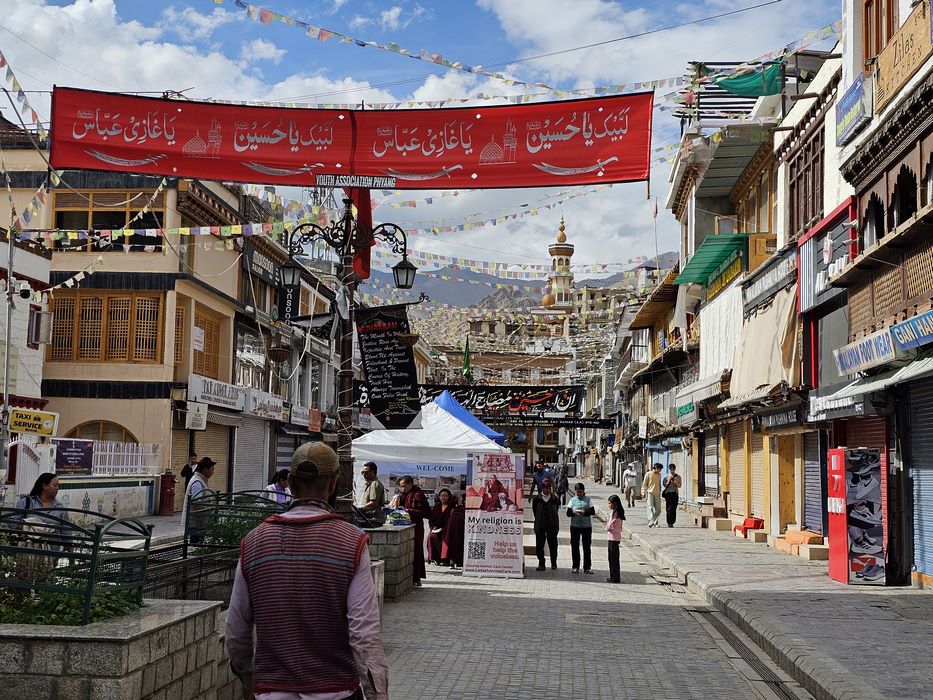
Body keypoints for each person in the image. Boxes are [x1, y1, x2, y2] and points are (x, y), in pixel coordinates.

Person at [225, 442, 389, 700]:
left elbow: (236, 628)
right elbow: (364, 632)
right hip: (336, 691)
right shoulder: (352, 542)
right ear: (334, 484)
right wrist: (377, 693)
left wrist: (248, 678)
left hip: (270, 691)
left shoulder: (254, 541)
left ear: (289, 481)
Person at [15, 473, 72, 547]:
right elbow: (12, 522)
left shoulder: (60, 509)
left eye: (58, 486)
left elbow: (66, 532)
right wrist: (28, 527)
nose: (57, 488)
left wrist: (70, 551)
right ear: (44, 486)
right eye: (55, 485)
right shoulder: (26, 503)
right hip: (27, 553)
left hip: (53, 554)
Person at [396, 475, 431, 587]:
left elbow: (427, 513)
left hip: (417, 527)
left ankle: (416, 578)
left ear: (410, 484)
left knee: (416, 552)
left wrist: (409, 510)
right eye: (401, 486)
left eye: (404, 486)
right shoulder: (404, 494)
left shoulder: (418, 495)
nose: (402, 488)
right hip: (406, 525)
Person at [181, 457, 216, 539]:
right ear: (205, 470)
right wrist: (205, 516)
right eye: (212, 469)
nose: (213, 472)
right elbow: (196, 503)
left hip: (198, 523)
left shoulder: (200, 480)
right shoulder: (197, 482)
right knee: (196, 544)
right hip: (195, 523)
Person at [532, 477, 560, 571]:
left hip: (552, 525)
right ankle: (541, 563)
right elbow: (535, 511)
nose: (548, 490)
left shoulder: (554, 498)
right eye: (546, 488)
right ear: (542, 488)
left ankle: (553, 562)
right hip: (540, 526)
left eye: (549, 488)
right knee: (539, 545)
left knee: (553, 545)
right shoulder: (537, 499)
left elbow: (557, 510)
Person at [567, 482, 595, 574]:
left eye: (581, 492)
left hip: (586, 527)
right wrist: (574, 513)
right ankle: (575, 566)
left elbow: (592, 512)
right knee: (575, 547)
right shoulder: (572, 500)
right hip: (575, 526)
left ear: (583, 491)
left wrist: (584, 512)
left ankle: (587, 567)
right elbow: (568, 513)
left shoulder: (588, 500)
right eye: (577, 492)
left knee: (586, 547)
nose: (579, 494)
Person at [428, 488, 454, 565]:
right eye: (442, 496)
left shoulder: (452, 507)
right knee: (431, 537)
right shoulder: (436, 507)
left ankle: (444, 559)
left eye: (446, 496)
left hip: (447, 530)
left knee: (446, 539)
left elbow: (451, 520)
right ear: (439, 497)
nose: (443, 498)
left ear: (449, 497)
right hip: (436, 528)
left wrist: (445, 528)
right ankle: (435, 558)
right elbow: (431, 519)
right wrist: (433, 527)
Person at [605, 495, 626, 583]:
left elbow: (610, 524)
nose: (608, 505)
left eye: (610, 503)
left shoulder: (615, 513)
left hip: (613, 537)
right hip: (615, 537)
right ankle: (613, 576)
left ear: (614, 503)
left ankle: (615, 577)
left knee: (613, 558)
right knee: (614, 558)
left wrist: (606, 527)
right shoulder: (617, 512)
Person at [443, 496, 466, 569]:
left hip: (456, 532)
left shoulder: (456, 510)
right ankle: (453, 562)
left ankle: (454, 563)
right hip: (456, 531)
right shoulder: (457, 510)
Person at [642, 463, 664, 528]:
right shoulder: (648, 474)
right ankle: (652, 522)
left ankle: (654, 522)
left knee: (658, 510)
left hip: (657, 493)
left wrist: (660, 491)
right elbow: (644, 484)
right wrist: (643, 492)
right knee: (650, 507)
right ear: (656, 468)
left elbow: (659, 484)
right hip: (650, 493)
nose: (660, 471)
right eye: (660, 469)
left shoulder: (659, 475)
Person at [662, 464, 683, 528]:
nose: (672, 471)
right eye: (671, 470)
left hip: (675, 493)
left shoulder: (678, 477)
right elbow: (664, 485)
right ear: (669, 469)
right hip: (668, 494)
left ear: (675, 469)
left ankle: (672, 522)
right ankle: (669, 522)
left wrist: (675, 482)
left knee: (674, 508)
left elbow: (679, 486)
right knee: (669, 508)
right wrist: (668, 481)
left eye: (673, 469)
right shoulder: (666, 476)